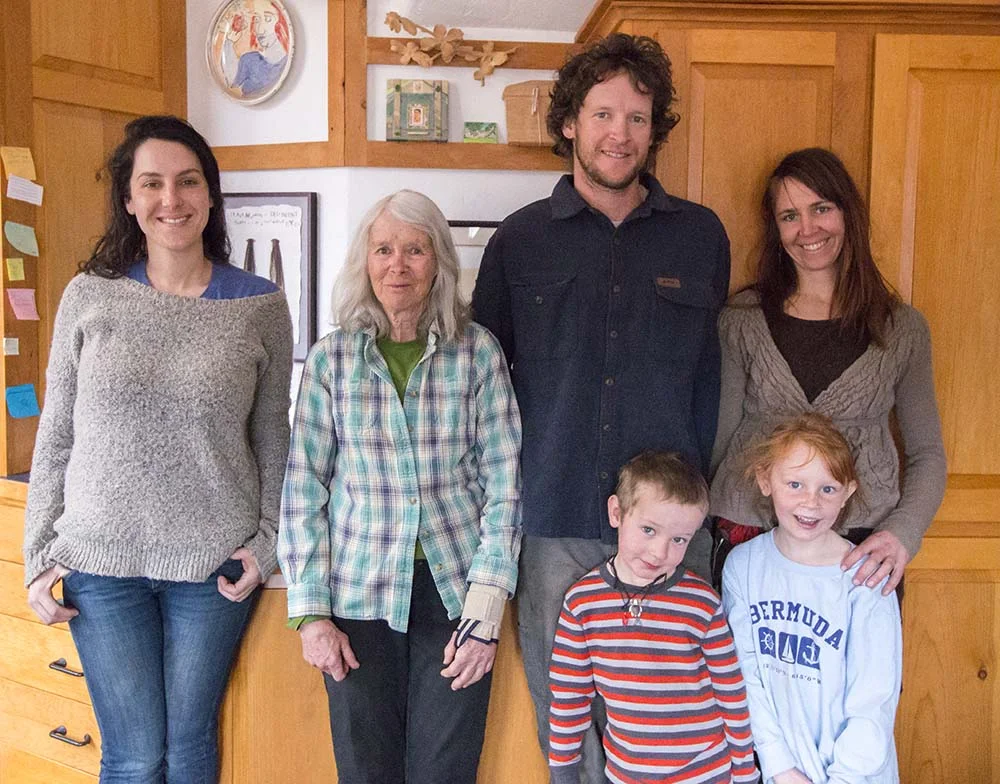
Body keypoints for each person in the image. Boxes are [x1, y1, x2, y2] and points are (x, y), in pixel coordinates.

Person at [472, 32, 730, 778]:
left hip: (673, 530)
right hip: (554, 523)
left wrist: (700, 507)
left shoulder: (700, 236)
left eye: (638, 118)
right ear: (569, 124)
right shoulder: (518, 242)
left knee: (672, 724)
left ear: (656, 131)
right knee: (569, 729)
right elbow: (485, 389)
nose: (620, 134)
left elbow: (709, 375)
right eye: (603, 114)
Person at [23, 115, 293, 783]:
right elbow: (56, 432)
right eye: (152, 184)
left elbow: (273, 436)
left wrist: (268, 543)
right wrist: (36, 554)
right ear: (129, 199)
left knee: (191, 747)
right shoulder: (89, 297)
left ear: (210, 195)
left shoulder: (259, 306)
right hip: (100, 562)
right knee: (137, 758)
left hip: (212, 567)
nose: (170, 200)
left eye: (187, 182)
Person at [278, 190, 522, 784]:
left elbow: (505, 486)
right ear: (365, 260)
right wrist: (310, 614)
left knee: (443, 772)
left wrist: (486, 614)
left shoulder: (478, 354)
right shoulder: (332, 360)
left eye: (415, 249)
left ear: (438, 260)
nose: (398, 264)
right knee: (366, 772)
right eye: (384, 249)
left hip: (456, 598)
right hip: (358, 597)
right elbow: (303, 488)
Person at [710, 147, 946, 594]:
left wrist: (902, 536)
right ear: (775, 229)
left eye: (821, 208)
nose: (808, 229)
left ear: (847, 213)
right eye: (789, 216)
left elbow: (927, 455)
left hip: (861, 551)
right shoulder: (742, 320)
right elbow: (718, 443)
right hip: (748, 541)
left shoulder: (902, 330)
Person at [548, 451, 758, 784]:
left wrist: (746, 772)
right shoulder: (582, 603)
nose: (660, 553)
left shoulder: (702, 602)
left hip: (708, 772)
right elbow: (570, 694)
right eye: (648, 529)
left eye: (678, 540)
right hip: (628, 775)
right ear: (617, 512)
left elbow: (731, 691)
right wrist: (563, 771)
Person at [722, 413, 902, 783]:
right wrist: (780, 766)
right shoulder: (743, 566)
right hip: (778, 771)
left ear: (848, 491)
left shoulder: (866, 576)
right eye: (795, 484)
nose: (811, 502)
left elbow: (873, 702)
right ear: (765, 479)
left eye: (828, 489)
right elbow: (745, 675)